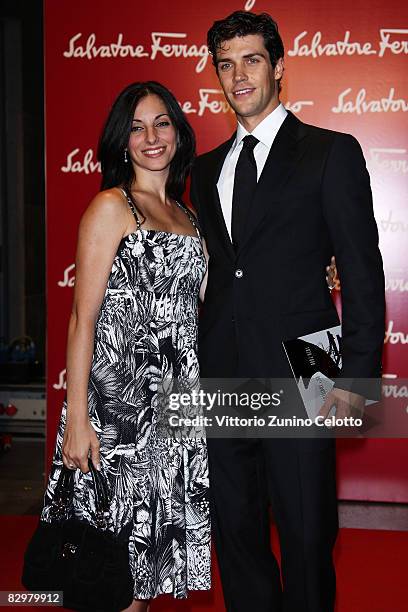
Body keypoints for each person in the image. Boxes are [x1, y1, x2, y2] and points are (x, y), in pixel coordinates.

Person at [190, 10, 385, 612]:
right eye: (226, 64)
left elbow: (360, 270)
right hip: (222, 369)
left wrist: (354, 381)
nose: (238, 75)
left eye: (252, 60)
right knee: (238, 534)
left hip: (307, 369)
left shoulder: (331, 152)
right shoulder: (202, 171)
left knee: (305, 533)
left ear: (278, 68)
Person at [40, 81, 211, 611]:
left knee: (148, 576)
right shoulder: (112, 208)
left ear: (179, 135)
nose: (151, 137)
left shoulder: (191, 219)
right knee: (112, 579)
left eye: (161, 123)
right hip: (117, 419)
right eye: (136, 127)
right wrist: (77, 418)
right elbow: (80, 319)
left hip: (174, 417)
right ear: (122, 141)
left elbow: (214, 307)